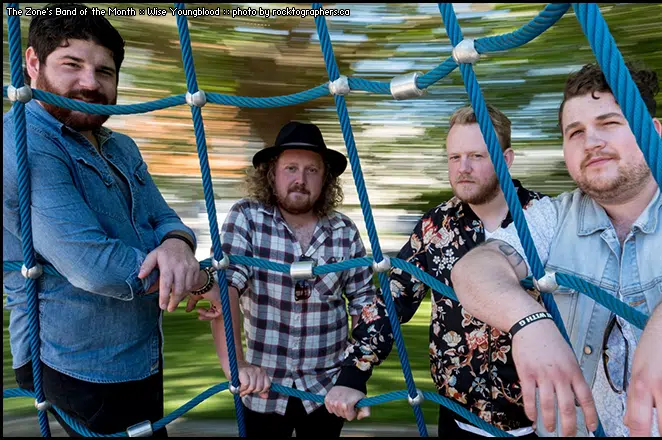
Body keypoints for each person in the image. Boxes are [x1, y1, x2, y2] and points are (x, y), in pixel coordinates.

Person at [450, 63, 662, 437]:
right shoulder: (551, 217)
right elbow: (475, 269)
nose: (591, 142)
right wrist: (527, 322)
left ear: (653, 132)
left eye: (609, 123)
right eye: (575, 132)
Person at [3, 3, 212, 437]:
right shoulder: (23, 141)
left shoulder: (120, 146)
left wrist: (177, 246)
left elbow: (162, 217)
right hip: (74, 360)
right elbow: (94, 266)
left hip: (137, 352)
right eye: (72, 65)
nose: (90, 83)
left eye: (104, 71)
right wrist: (195, 279)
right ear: (33, 63)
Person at [188, 121, 394, 438]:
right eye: (291, 168)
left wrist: (354, 378)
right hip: (262, 386)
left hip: (327, 388)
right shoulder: (247, 217)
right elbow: (227, 287)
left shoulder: (344, 231)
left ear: (325, 178)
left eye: (312, 170)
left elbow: (365, 307)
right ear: (272, 173)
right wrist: (236, 365)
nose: (301, 179)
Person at [354, 103, 547, 437]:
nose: (463, 168)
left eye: (477, 156)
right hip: (457, 420)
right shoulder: (435, 226)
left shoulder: (545, 218)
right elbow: (394, 297)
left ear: (506, 159)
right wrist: (355, 372)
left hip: (543, 421)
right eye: (454, 157)